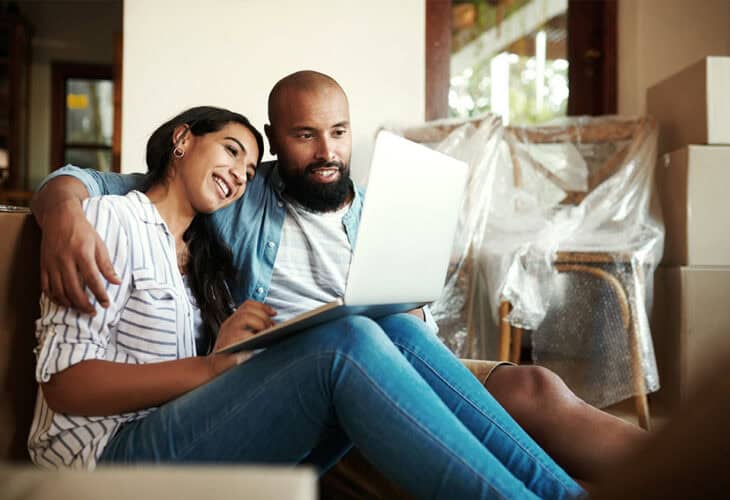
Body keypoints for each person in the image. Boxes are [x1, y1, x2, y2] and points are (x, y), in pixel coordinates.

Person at [31, 70, 629, 483]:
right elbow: (101, 185)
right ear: (275, 143)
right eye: (304, 135)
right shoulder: (234, 197)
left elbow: (413, 315)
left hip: (383, 351)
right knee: (356, 337)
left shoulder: (379, 208)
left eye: (339, 132)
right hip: (300, 364)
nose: (327, 150)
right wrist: (62, 211)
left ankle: (678, 469)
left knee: (511, 378)